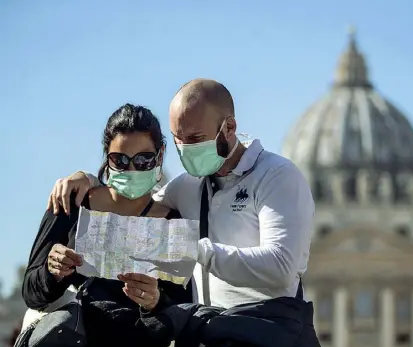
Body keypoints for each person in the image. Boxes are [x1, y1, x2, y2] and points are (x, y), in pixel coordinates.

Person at [48, 79, 315, 311]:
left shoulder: (277, 175)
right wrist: (90, 178)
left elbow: (282, 268)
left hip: (268, 332)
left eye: (196, 138)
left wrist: (193, 249)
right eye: (178, 138)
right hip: (207, 334)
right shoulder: (186, 185)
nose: (186, 148)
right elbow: (134, 199)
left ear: (229, 127)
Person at [23, 103, 192, 347]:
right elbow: (31, 292)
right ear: (106, 157)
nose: (131, 169)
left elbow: (182, 313)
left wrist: (155, 301)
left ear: (160, 155)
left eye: (143, 160)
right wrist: (52, 272)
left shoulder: (172, 223)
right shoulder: (72, 203)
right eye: (120, 160)